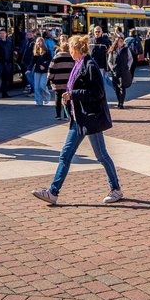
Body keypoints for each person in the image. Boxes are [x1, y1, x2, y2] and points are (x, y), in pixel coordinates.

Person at [32, 35, 123, 205]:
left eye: (71, 49)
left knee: (102, 156)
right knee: (65, 155)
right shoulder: (79, 64)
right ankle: (53, 192)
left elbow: (97, 93)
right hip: (79, 118)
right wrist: (69, 98)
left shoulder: (89, 65)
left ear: (77, 49)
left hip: (90, 119)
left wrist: (72, 94)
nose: (69, 52)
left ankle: (116, 189)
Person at [49, 37, 74, 120]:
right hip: (68, 82)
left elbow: (51, 69)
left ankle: (58, 115)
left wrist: (50, 78)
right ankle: (66, 115)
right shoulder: (72, 57)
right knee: (67, 97)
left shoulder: (56, 57)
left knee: (58, 97)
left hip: (57, 81)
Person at [107, 35, 133, 109]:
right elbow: (109, 61)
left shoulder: (126, 49)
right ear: (117, 42)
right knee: (116, 88)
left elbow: (131, 59)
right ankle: (119, 101)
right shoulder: (112, 50)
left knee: (122, 87)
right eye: (120, 41)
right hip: (115, 72)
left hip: (123, 72)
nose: (122, 42)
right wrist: (112, 68)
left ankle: (121, 103)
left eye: (122, 41)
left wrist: (128, 66)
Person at [32, 37, 52, 106]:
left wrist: (44, 65)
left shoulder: (47, 51)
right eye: (37, 41)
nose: (38, 43)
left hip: (45, 71)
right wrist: (28, 69)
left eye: (40, 41)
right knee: (36, 87)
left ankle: (47, 97)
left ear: (43, 42)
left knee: (42, 85)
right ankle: (38, 101)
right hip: (37, 71)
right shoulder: (35, 52)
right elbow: (32, 61)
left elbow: (50, 60)